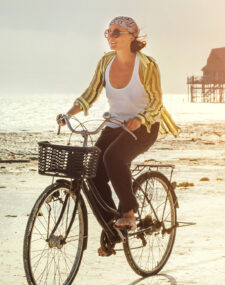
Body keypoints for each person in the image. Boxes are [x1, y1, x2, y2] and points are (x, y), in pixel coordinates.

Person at [57, 16, 180, 256]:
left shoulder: (147, 65)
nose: (111, 37)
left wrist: (141, 119)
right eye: (108, 32)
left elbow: (156, 101)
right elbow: (91, 93)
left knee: (113, 158)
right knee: (92, 169)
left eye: (117, 32)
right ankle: (113, 230)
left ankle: (129, 213)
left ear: (131, 36)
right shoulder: (106, 62)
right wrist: (68, 113)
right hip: (115, 125)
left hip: (144, 127)